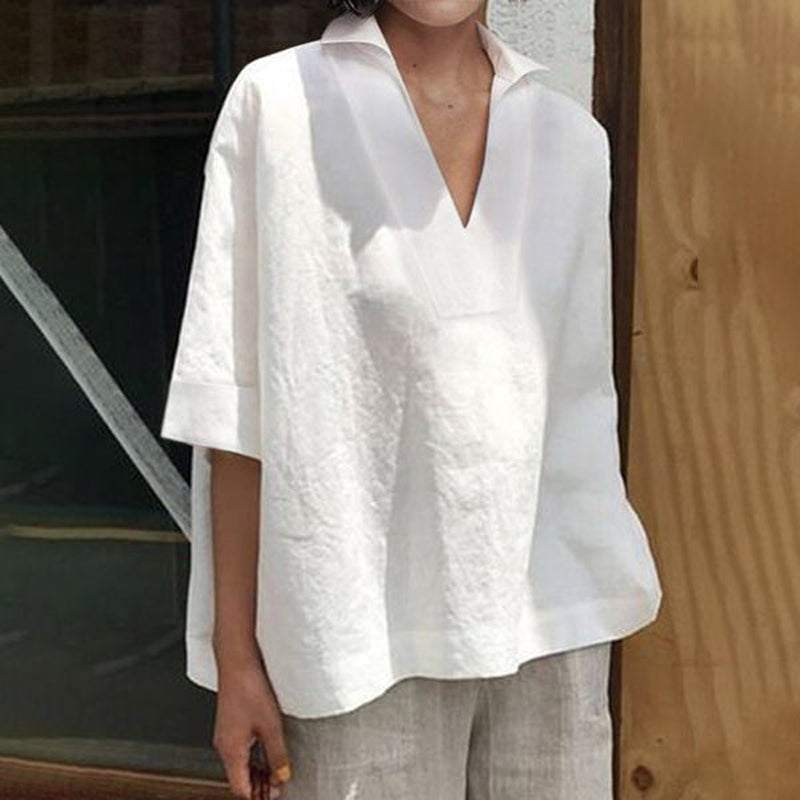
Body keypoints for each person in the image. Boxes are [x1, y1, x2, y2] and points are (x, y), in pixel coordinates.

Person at [159, 0, 663, 798]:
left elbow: (575, 406)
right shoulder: (280, 106)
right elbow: (235, 405)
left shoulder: (570, 141)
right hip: (352, 632)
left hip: (551, 618)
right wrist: (236, 657)